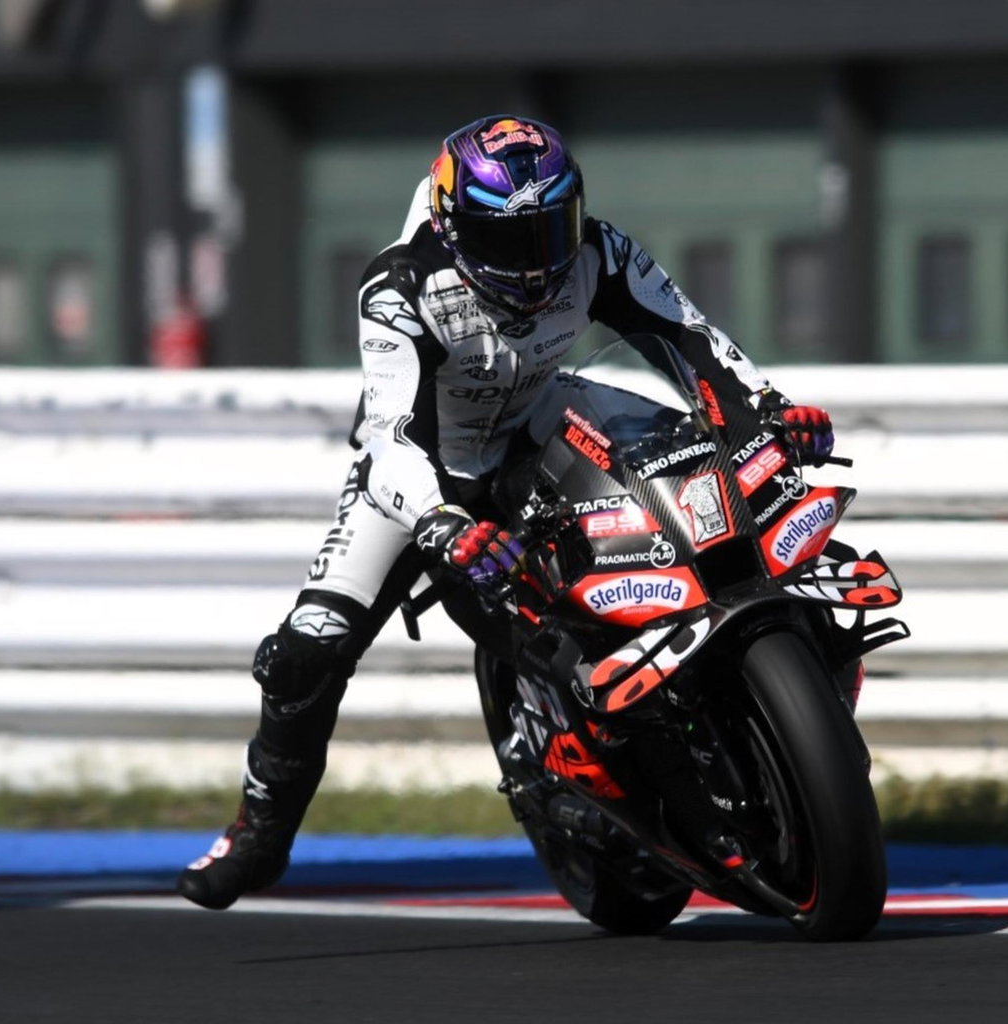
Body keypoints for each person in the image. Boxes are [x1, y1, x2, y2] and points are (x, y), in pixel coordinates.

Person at [177, 115, 836, 910]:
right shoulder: (400, 289)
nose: (537, 262)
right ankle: (259, 831)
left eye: (549, 229)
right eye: (508, 239)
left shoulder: (600, 251)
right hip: (426, 476)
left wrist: (764, 411)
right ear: (456, 227)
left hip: (538, 427)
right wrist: (439, 521)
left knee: (696, 494)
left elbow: (689, 338)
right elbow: (392, 433)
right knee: (302, 656)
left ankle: (741, 692)